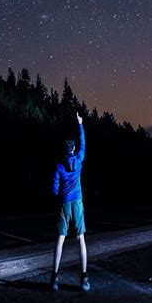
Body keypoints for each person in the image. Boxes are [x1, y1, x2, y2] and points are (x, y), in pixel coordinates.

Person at [50, 111, 90, 292]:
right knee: (80, 238)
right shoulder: (79, 159)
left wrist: (56, 192)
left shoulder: (59, 165)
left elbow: (54, 187)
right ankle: (84, 279)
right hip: (78, 202)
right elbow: (84, 143)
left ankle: (54, 278)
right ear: (73, 149)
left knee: (60, 239)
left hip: (65, 203)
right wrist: (80, 124)